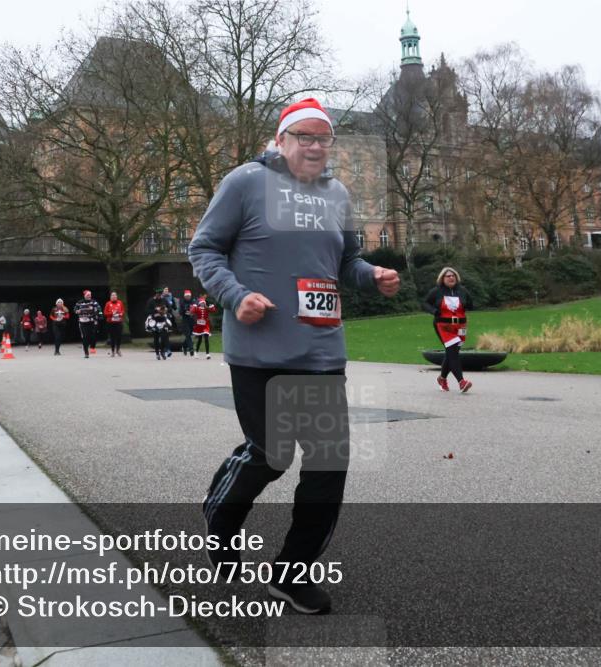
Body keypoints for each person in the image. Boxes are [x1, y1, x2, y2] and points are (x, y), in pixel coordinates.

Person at [189, 97, 400, 615]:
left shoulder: (338, 194)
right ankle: (221, 517)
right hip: (260, 351)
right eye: (303, 136)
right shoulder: (245, 183)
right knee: (270, 454)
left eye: (323, 138)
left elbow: (346, 261)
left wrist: (371, 275)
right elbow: (204, 249)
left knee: (329, 462)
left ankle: (292, 571)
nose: (314, 146)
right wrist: (238, 297)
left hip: (322, 350)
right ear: (280, 140)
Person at [423, 267, 473, 393]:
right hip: (443, 325)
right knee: (453, 353)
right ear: (442, 278)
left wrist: (467, 305)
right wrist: (434, 311)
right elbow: (425, 303)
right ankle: (461, 382)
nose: (451, 278)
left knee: (452, 352)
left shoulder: (462, 291)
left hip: (460, 326)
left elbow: (470, 304)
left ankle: (442, 378)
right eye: (448, 276)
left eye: (453, 276)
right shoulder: (437, 291)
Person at [74, 290, 102, 358]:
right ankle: (86, 352)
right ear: (84, 295)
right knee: (85, 337)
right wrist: (77, 311)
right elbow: (75, 309)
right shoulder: (80, 302)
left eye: (90, 295)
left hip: (92, 321)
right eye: (88, 295)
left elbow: (99, 309)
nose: (89, 296)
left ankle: (91, 346)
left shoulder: (94, 302)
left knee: (92, 336)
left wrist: (100, 315)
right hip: (82, 322)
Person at [104, 291, 126, 357]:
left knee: (119, 337)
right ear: (110, 297)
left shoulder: (120, 302)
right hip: (110, 323)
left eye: (115, 295)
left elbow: (123, 310)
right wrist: (112, 314)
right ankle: (113, 351)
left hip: (119, 322)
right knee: (112, 337)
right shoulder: (108, 303)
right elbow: (105, 313)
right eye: (112, 295)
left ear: (117, 296)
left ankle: (118, 349)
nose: (114, 297)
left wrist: (121, 313)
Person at [178, 289, 197, 356]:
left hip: (191, 320)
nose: (188, 297)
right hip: (185, 320)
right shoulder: (182, 302)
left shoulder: (193, 301)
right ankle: (191, 349)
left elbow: (196, 309)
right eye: (187, 296)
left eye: (189, 296)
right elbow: (180, 312)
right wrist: (185, 311)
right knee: (188, 334)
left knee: (191, 334)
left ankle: (184, 346)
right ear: (185, 296)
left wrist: (192, 312)